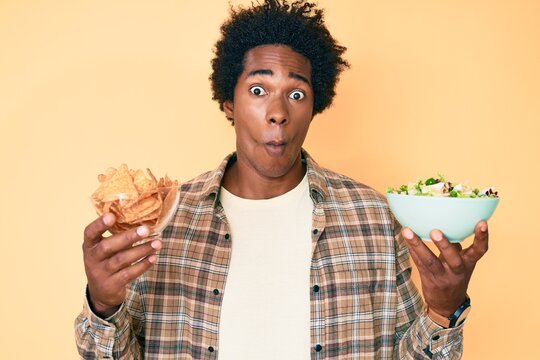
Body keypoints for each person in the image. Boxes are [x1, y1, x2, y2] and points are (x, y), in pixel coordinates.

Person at [75, 1, 489, 359]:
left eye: (296, 94)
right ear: (228, 103)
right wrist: (104, 305)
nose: (278, 112)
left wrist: (441, 310)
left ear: (314, 107)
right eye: (258, 90)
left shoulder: (373, 217)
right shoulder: (168, 219)